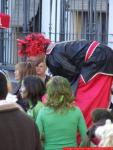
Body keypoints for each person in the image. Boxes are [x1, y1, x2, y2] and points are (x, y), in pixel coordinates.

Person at [17, 33, 113, 127]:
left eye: (30, 55)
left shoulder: (52, 58)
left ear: (39, 51)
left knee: (83, 98)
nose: (28, 59)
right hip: (101, 56)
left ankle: (85, 126)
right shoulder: (55, 51)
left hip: (98, 59)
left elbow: (71, 75)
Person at [36, 76, 87, 150]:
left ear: (49, 92)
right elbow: (85, 138)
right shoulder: (76, 111)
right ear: (68, 91)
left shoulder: (43, 112)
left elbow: (36, 138)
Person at [0, 71, 42, 150]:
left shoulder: (38, 108)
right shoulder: (28, 120)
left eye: (23, 86)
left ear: (31, 88)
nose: (20, 90)